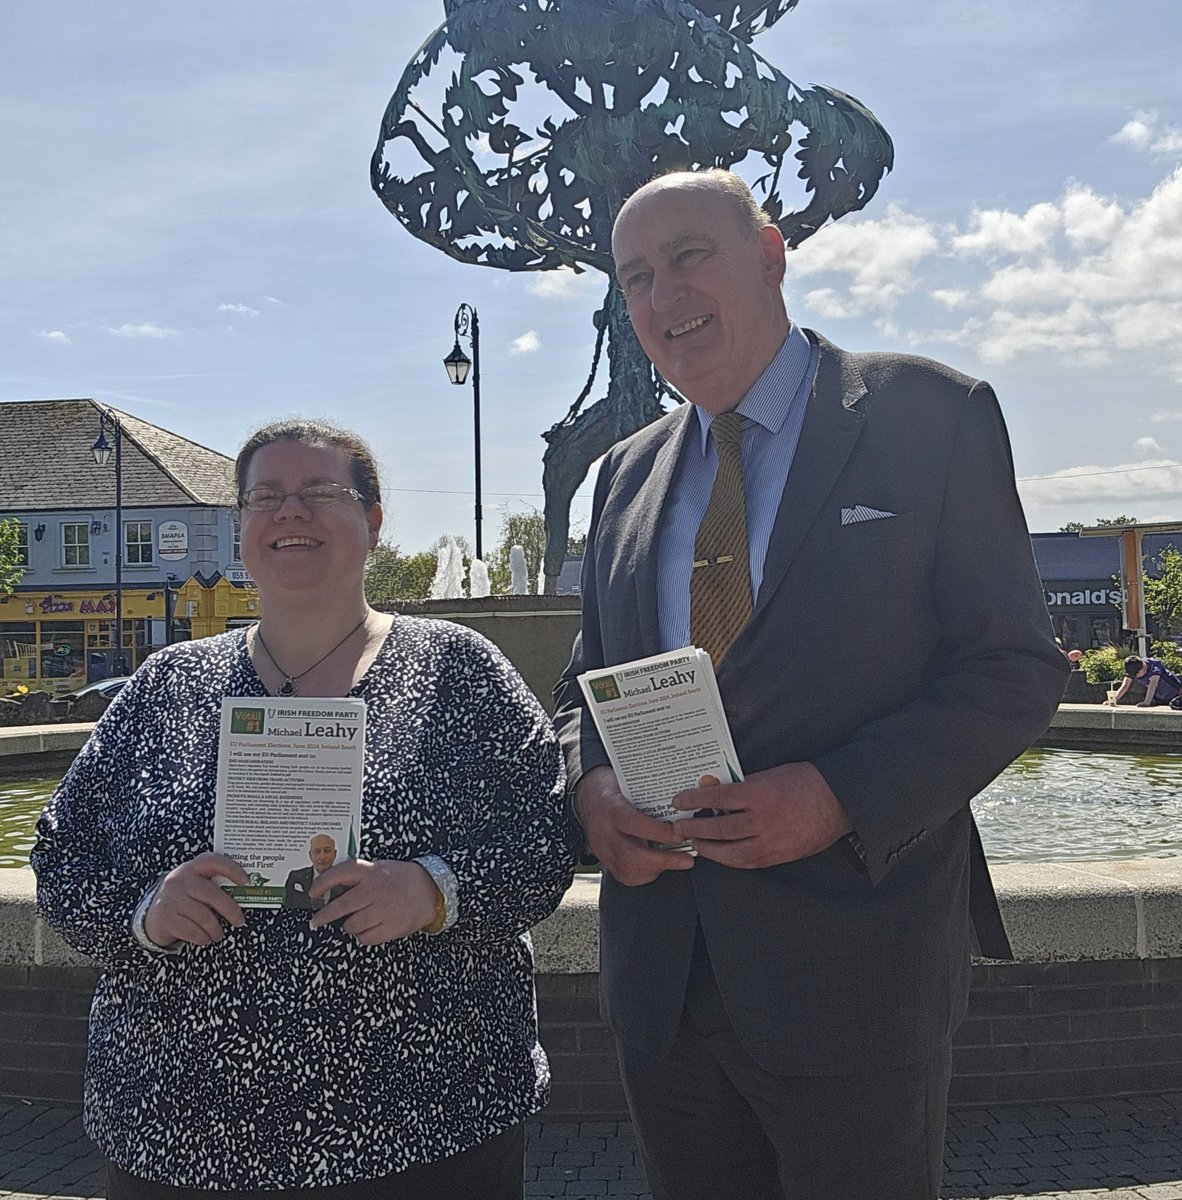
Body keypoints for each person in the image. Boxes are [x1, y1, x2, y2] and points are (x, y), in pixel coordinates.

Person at [554, 170, 1068, 1200]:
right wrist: (589, 790)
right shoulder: (621, 477)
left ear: (772, 252)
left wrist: (839, 795)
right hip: (663, 979)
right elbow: (581, 695)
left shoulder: (932, 414)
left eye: (690, 256)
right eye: (637, 276)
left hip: (857, 972)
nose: (663, 298)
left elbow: (1013, 668)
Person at [33, 417, 574, 1198]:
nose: (291, 513)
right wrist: (148, 910)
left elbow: (548, 841)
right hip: (183, 1133)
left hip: (427, 1125)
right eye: (266, 498)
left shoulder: (459, 670)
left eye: (320, 492)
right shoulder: (168, 686)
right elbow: (60, 858)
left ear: (374, 521)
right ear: (243, 528)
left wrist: (433, 891)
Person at [284, 833, 343, 910]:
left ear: (335, 854)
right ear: (310, 855)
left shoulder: (345, 880)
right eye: (317, 851)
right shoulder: (296, 876)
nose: (322, 857)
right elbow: (286, 904)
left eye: (327, 851)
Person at [1104, 654, 1182, 707]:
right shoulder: (1133, 668)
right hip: (1159, 696)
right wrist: (1113, 700)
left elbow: (1153, 684)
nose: (1135, 677)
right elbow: (1125, 686)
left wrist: (1146, 703)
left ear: (1143, 666)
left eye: (1137, 674)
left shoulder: (1154, 665)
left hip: (1175, 691)